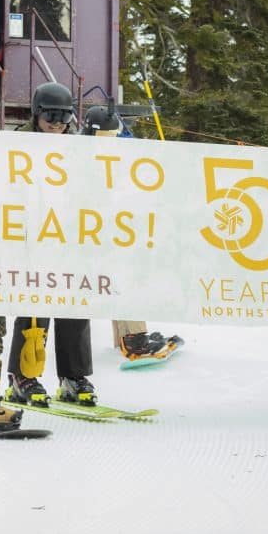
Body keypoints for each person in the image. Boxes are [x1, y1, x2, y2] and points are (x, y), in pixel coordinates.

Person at [5, 82, 98, 407]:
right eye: (51, 116)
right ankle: (23, 375)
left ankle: (73, 375)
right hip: (31, 233)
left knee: (74, 302)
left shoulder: (78, 146)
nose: (57, 123)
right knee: (35, 304)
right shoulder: (18, 142)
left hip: (69, 235)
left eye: (64, 116)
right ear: (37, 113)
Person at [81, 105, 179, 356]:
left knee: (126, 275)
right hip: (94, 227)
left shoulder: (125, 149)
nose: (108, 143)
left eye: (112, 137)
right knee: (120, 276)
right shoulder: (81, 152)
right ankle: (132, 337)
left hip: (121, 225)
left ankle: (129, 337)